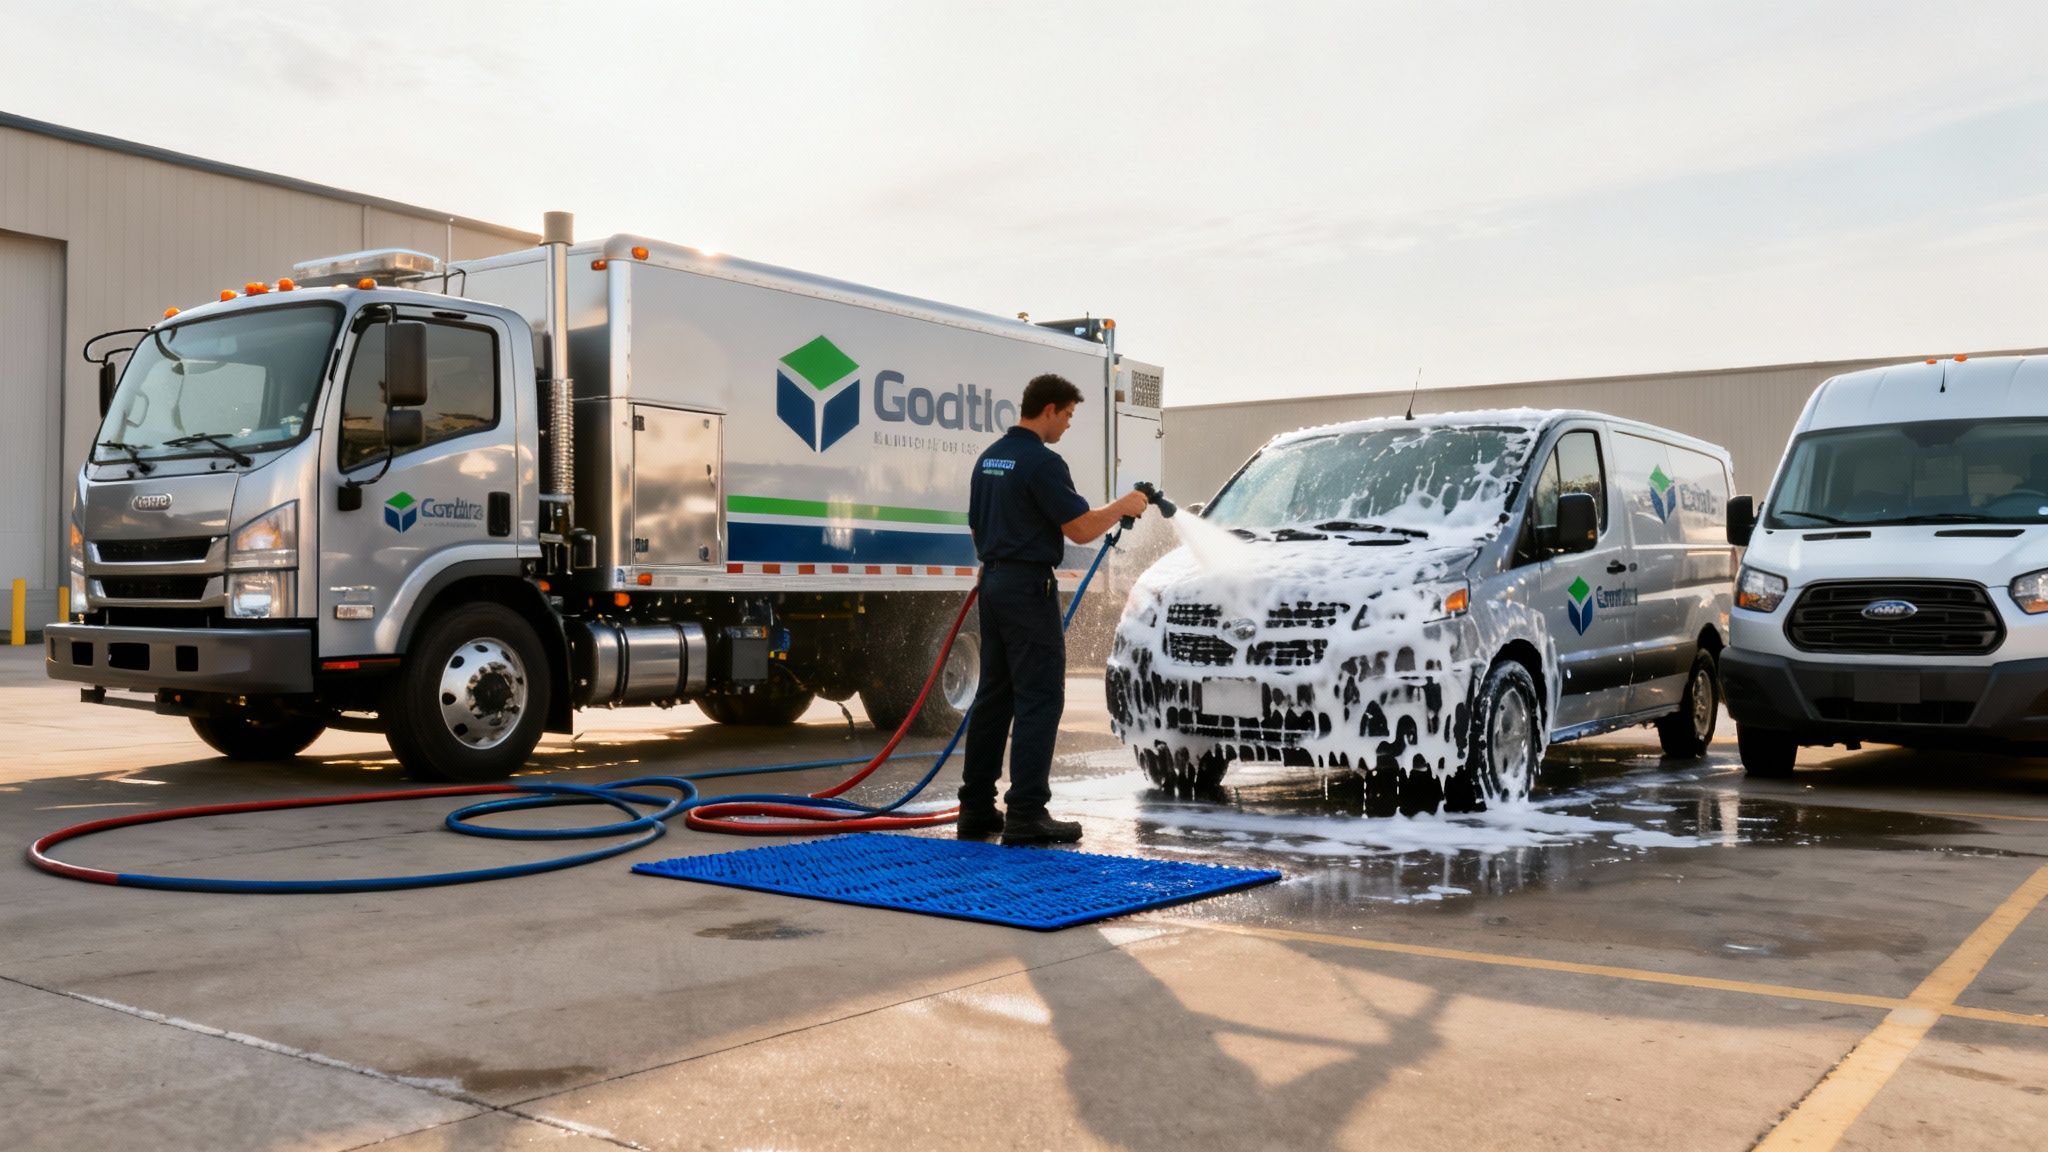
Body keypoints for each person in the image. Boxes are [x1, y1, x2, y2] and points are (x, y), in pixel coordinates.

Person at [961, 373, 1151, 844]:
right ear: (1047, 410)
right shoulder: (1042, 463)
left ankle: (976, 810)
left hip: (994, 581)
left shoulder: (989, 459)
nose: (1067, 425)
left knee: (993, 697)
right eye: (1066, 415)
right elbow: (1082, 529)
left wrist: (995, 563)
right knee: (1039, 698)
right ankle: (1026, 813)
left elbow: (975, 527)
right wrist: (1123, 505)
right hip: (1027, 588)